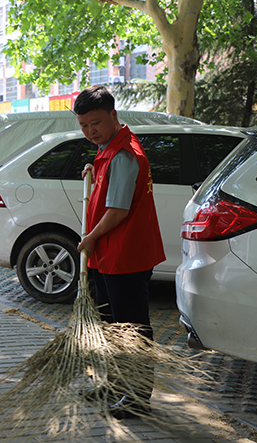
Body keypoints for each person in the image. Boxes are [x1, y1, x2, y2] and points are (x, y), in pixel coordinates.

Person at [74, 86, 165, 419]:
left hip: (125, 254)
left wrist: (90, 238)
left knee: (132, 328)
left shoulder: (125, 153)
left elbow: (119, 210)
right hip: (109, 253)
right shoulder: (108, 149)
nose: (89, 131)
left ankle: (138, 396)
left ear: (114, 115)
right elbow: (110, 186)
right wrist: (94, 171)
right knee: (112, 325)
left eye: (95, 123)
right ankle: (114, 385)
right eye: (83, 125)